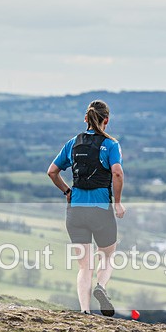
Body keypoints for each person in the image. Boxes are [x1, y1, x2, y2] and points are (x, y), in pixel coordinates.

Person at [47, 100, 125, 316]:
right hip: (100, 210)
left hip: (76, 211)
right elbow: (117, 173)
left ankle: (85, 311)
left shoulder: (73, 143)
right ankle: (101, 286)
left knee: (84, 266)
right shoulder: (111, 145)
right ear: (106, 120)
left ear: (85, 119)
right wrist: (118, 202)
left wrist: (67, 191)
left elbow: (52, 172)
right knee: (107, 256)